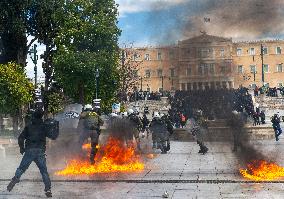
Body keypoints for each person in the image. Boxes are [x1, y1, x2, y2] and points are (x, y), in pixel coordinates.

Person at [7, 109, 58, 197]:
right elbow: (53, 137)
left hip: (29, 151)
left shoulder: (29, 126)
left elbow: (20, 138)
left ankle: (15, 179)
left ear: (33, 117)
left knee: (21, 168)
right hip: (40, 152)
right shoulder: (44, 127)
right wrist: (56, 126)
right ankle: (48, 190)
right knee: (44, 172)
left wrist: (22, 149)